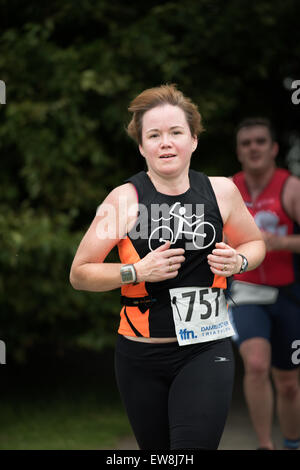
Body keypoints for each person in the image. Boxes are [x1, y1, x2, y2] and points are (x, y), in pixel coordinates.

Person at [69, 85, 265, 450]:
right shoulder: (124, 199)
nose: (165, 143)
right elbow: (80, 273)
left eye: (175, 132)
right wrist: (136, 272)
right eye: (154, 135)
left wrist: (238, 260)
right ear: (142, 146)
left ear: (193, 139)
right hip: (139, 354)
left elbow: (255, 244)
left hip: (207, 349)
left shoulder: (221, 191)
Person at [230, 117, 300, 450]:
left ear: (273, 149)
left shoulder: (291, 187)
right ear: (239, 152)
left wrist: (281, 243)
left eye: (260, 141)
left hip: (288, 293)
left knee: (288, 383)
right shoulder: (228, 189)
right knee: (256, 364)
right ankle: (263, 445)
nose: (253, 148)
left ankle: (291, 442)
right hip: (245, 293)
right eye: (246, 143)